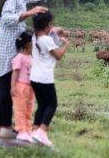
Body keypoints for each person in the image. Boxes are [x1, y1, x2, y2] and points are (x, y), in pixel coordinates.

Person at [0, 0, 69, 138]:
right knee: (6, 85)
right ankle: (6, 128)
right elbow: (6, 18)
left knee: (3, 84)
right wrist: (29, 13)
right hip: (5, 42)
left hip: (5, 40)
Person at [30, 11, 68, 147]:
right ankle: (42, 132)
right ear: (48, 25)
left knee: (41, 104)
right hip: (45, 77)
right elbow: (57, 56)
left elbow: (52, 31)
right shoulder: (47, 40)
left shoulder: (34, 37)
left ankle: (34, 131)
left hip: (34, 77)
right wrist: (65, 45)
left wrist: (56, 30)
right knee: (52, 104)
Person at [11, 31, 35, 142]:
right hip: (21, 87)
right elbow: (15, 73)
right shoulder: (19, 58)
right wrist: (12, 87)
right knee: (20, 109)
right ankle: (21, 131)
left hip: (31, 88)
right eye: (33, 43)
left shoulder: (31, 58)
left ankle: (28, 130)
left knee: (29, 109)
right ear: (27, 44)